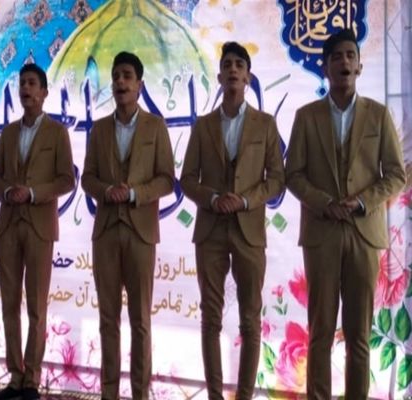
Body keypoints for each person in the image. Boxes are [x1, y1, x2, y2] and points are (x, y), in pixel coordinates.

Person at [285, 29, 405, 398]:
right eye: (336, 56)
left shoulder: (378, 115)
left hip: (363, 234)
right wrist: (324, 202)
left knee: (359, 336)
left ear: (360, 66)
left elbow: (396, 175)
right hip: (321, 233)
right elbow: (293, 174)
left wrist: (363, 201)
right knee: (320, 333)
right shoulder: (306, 116)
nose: (344, 62)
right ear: (325, 68)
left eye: (350, 55)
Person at [180, 42, 285, 399]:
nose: (233, 70)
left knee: (250, 320)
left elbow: (276, 180)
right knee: (210, 317)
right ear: (220, 76)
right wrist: (212, 198)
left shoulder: (265, 124)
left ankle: (244, 396)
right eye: (227, 65)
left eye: (239, 65)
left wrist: (245, 200)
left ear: (248, 77)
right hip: (210, 229)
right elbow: (187, 179)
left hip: (249, 230)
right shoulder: (202, 125)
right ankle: (214, 395)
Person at [81, 51, 175, 400]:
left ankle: (140, 393)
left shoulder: (155, 126)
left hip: (141, 232)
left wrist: (135, 193)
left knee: (140, 321)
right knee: (108, 319)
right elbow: (87, 178)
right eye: (116, 76)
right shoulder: (99, 128)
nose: (120, 82)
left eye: (127, 76)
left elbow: (167, 179)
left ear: (139, 85)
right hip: (106, 231)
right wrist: (106, 191)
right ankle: (109, 393)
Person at [0, 63, 75, 400]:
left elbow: (67, 180)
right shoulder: (8, 132)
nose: (25, 88)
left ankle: (32, 380)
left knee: (37, 307)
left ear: (44, 92)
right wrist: (7, 191)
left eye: (31, 83)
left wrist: (34, 193)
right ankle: (15, 376)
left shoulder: (57, 132)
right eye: (22, 83)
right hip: (8, 224)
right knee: (9, 304)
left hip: (40, 227)